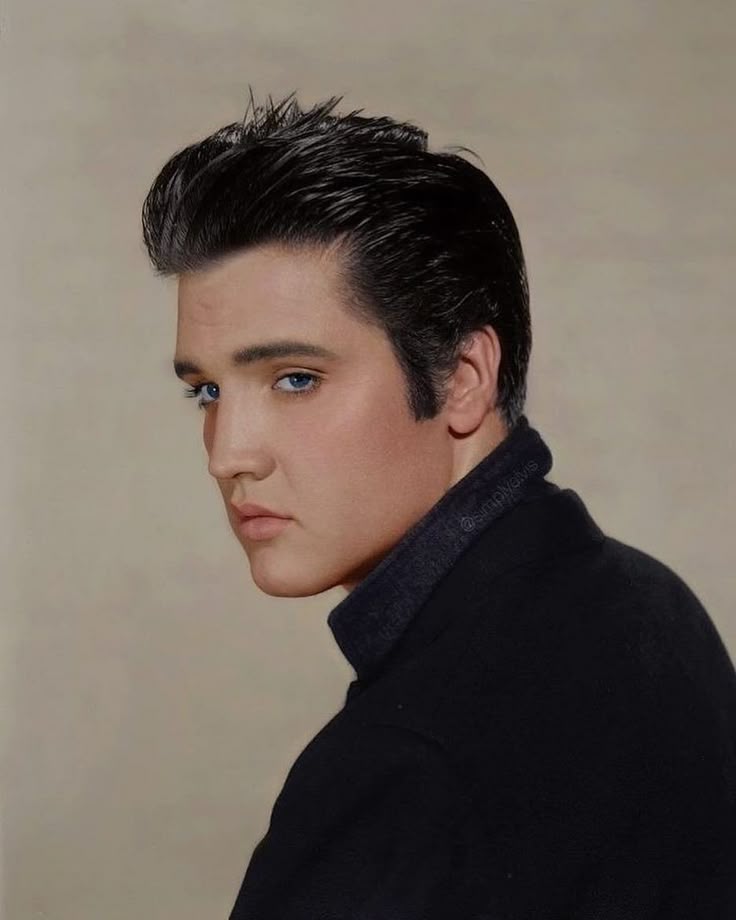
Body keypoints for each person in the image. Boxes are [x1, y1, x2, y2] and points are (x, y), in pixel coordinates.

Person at [140, 89, 736, 919]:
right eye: (206, 390)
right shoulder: (649, 601)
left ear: (462, 378)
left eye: (296, 379)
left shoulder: (399, 767)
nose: (228, 454)